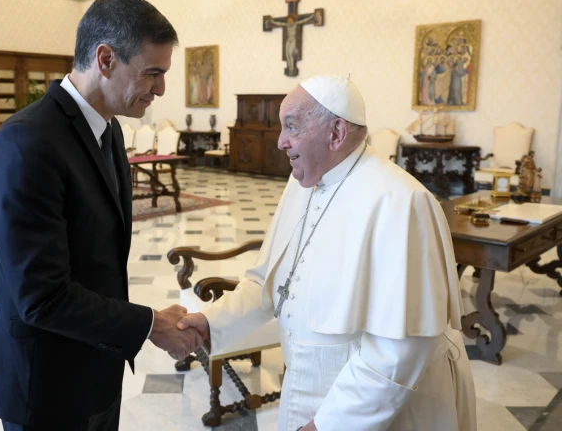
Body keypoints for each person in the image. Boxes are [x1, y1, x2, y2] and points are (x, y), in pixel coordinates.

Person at [178, 75, 476, 430]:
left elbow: (401, 348)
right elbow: (269, 282)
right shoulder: (302, 181)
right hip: (303, 393)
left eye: (291, 126)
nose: (280, 142)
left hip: (373, 411)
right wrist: (211, 321)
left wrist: (330, 424)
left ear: (335, 133)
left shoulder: (401, 202)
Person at [0, 0, 202, 431]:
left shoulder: (110, 131)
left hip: (97, 363)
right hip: (47, 380)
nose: (161, 89)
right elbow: (42, 297)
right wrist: (150, 324)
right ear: (105, 59)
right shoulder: (28, 142)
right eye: (153, 72)